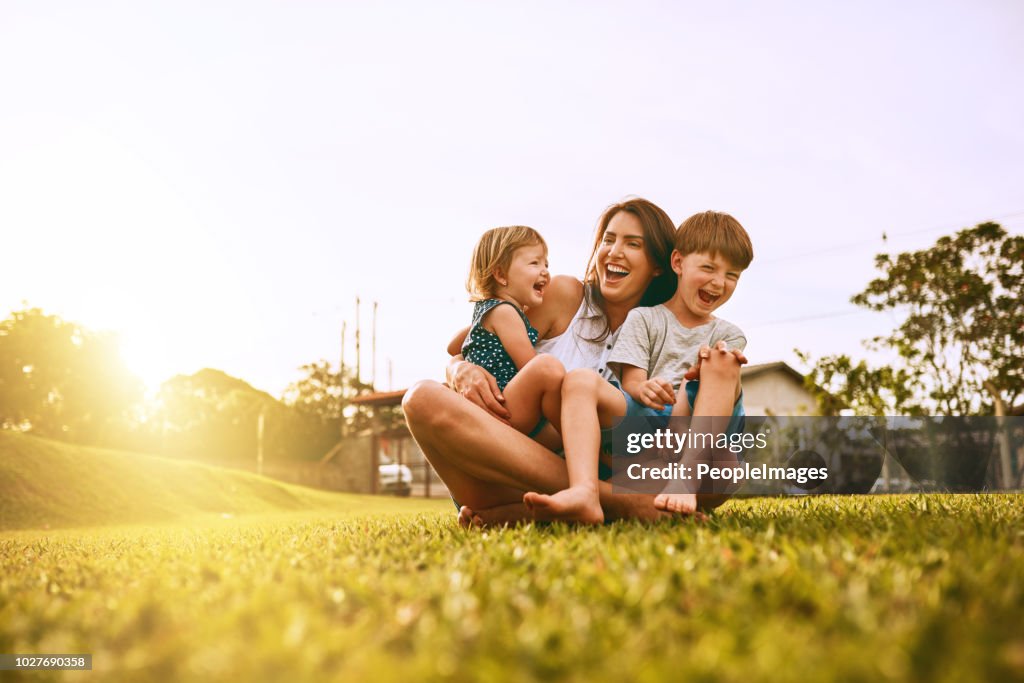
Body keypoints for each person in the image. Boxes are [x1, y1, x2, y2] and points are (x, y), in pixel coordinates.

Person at [402, 198, 747, 526]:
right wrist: (461, 369)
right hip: (505, 465)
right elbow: (479, 336)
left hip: (613, 470)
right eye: (608, 239)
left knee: (725, 465)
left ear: (659, 265)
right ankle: (618, 503)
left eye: (632, 244)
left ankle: (540, 507)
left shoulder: (666, 329)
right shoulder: (564, 295)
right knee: (421, 398)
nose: (614, 251)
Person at [523, 211, 753, 524]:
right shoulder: (644, 318)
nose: (718, 282)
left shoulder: (728, 334)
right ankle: (584, 491)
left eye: (732, 276)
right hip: (649, 421)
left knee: (720, 362)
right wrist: (643, 387)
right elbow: (631, 381)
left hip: (703, 430)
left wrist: (694, 387)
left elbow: (715, 391)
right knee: (579, 380)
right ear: (678, 263)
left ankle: (685, 478)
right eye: (709, 268)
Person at [459, 225, 564, 450]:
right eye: (534, 263)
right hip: (503, 407)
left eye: (546, 264)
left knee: (562, 443)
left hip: (499, 409)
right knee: (547, 367)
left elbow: (453, 346)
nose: (545, 271)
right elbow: (530, 366)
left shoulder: (486, 310)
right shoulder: (505, 312)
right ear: (500, 274)